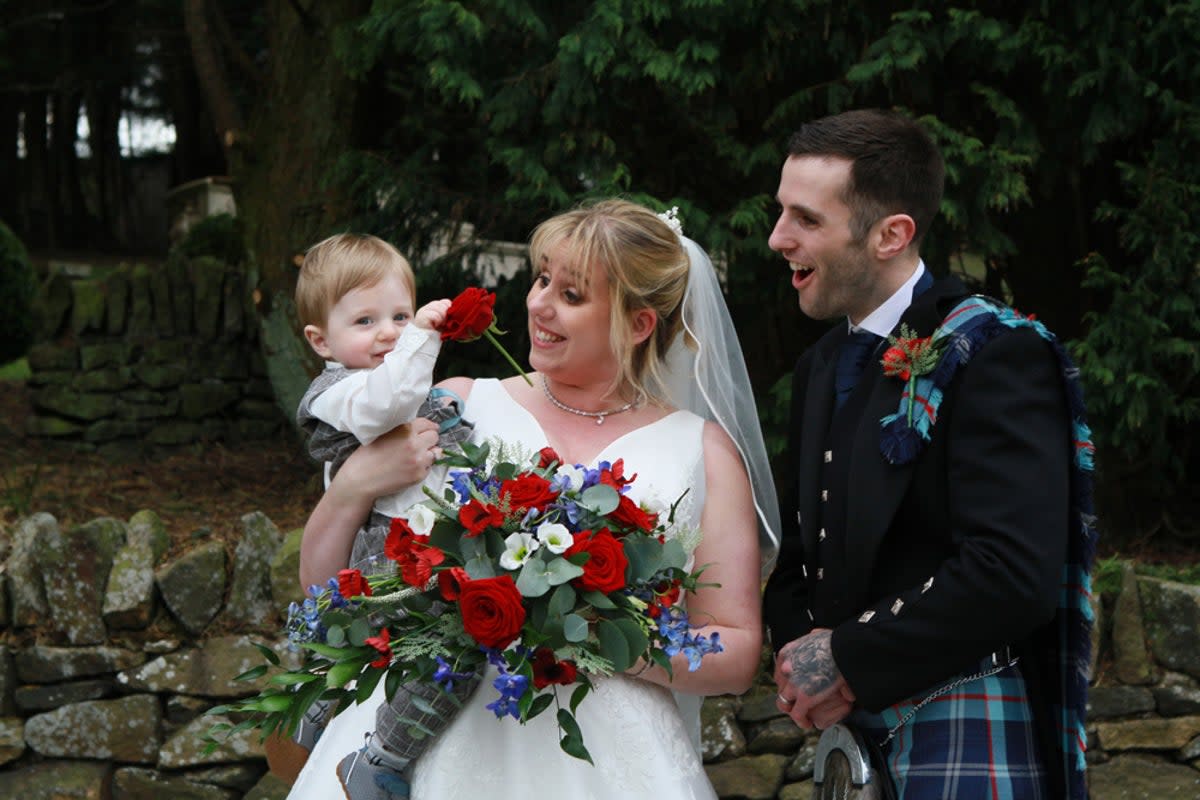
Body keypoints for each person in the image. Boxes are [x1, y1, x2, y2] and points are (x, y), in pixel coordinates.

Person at [288, 199, 781, 799]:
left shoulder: (702, 453)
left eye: (571, 295)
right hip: (428, 744)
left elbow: (734, 652)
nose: (538, 304)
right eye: (542, 279)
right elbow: (325, 590)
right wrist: (353, 485)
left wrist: (594, 632)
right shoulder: (455, 406)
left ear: (638, 324)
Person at [761, 108, 1095, 799]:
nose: (777, 238)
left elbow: (1010, 572)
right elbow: (804, 545)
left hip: (962, 715)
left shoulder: (997, 352)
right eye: (780, 213)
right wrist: (801, 654)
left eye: (806, 219)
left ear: (892, 234)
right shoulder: (823, 364)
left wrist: (846, 657)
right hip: (856, 724)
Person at [291, 232, 477, 799]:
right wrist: (421, 335)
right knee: (455, 653)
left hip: (417, 551)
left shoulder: (411, 384)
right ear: (322, 341)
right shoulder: (335, 393)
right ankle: (378, 759)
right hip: (382, 560)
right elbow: (386, 404)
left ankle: (326, 698)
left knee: (439, 651)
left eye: (398, 314)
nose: (390, 331)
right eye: (366, 321)